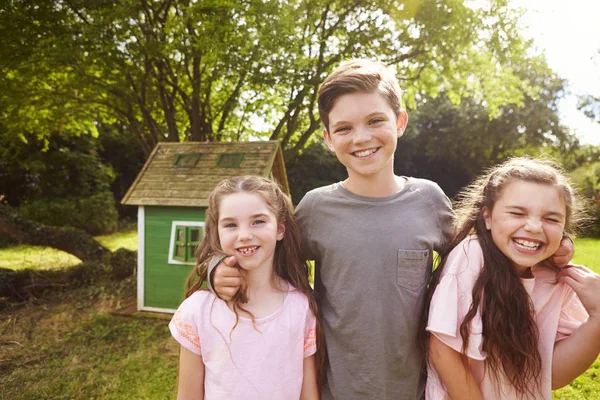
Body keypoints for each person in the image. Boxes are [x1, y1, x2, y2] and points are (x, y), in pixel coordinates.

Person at [208, 59, 574, 399]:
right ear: (328, 138)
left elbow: (484, 253)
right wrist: (217, 268)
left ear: (400, 122)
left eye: (375, 121)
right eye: (344, 128)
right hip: (333, 386)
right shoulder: (317, 207)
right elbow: (265, 257)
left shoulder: (429, 200)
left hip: (414, 386)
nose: (362, 137)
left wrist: (553, 248)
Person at [421, 157, 600, 399]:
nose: (535, 227)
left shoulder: (556, 278)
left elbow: (554, 375)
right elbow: (442, 348)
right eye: (517, 213)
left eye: (551, 219)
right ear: (487, 217)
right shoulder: (473, 255)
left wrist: (598, 316)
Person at [169, 176, 323, 400]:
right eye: (231, 225)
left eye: (258, 221)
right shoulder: (198, 310)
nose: (244, 235)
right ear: (217, 233)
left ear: (280, 229)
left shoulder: (301, 307)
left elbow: (309, 395)